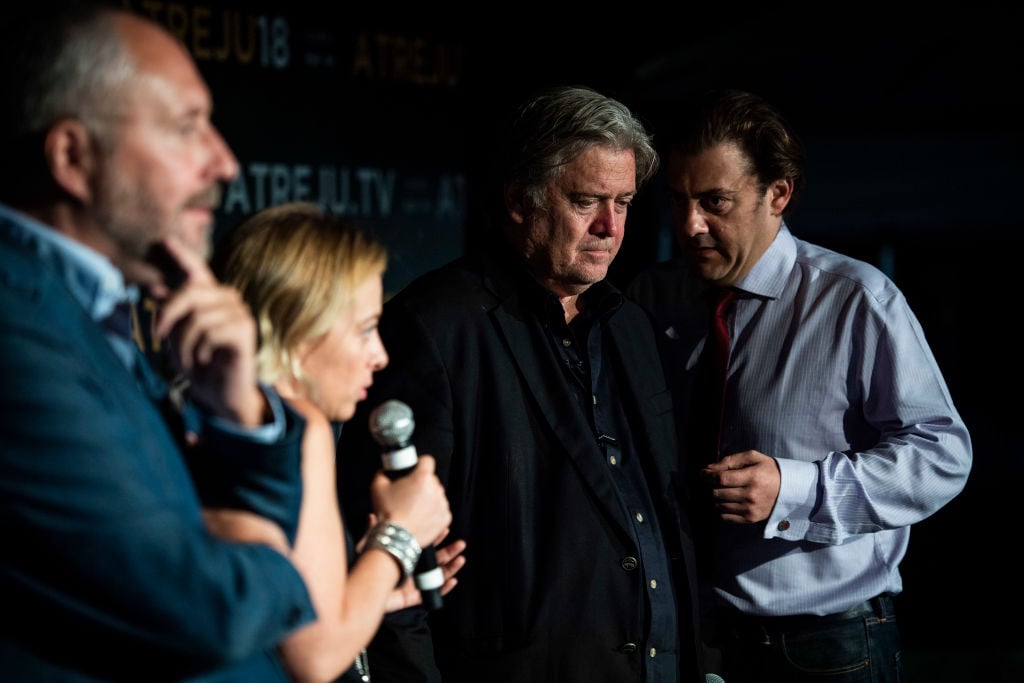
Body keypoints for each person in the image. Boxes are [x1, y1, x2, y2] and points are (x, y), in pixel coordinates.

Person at [337, 85, 705, 682]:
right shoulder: (434, 326)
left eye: (624, 202)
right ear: (519, 200)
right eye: (586, 201)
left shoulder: (632, 326)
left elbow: (667, 515)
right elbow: (383, 549)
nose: (610, 226)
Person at [0, 4, 316, 680]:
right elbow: (210, 608)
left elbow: (215, 544)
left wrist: (237, 415)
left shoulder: (89, 306)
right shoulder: (15, 330)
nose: (226, 162)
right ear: (72, 156)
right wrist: (285, 569)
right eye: (184, 128)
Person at [627, 88, 973, 682]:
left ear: (778, 194)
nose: (690, 225)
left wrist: (796, 490)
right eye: (677, 200)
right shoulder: (654, 298)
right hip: (689, 639)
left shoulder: (856, 299)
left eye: (715, 201)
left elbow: (943, 456)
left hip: (829, 647)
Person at [216, 202, 467, 683]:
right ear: (301, 326)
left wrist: (368, 591)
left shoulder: (226, 425)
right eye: (365, 329)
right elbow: (315, 657)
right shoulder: (298, 430)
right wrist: (401, 535)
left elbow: (281, 620)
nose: (379, 355)